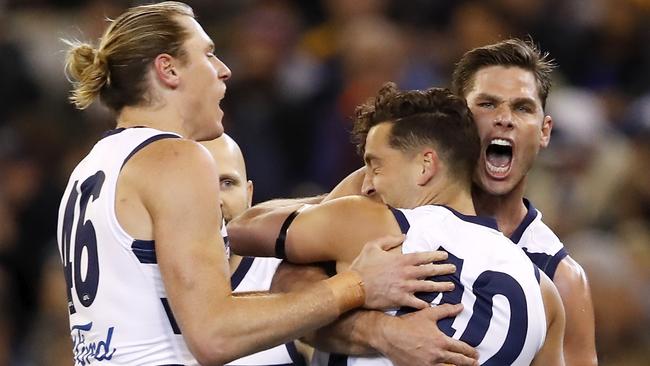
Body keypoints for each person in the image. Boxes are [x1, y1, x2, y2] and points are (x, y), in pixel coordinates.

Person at [56, 2, 455, 364]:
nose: (224, 69)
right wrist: (358, 285)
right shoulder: (177, 157)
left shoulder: (89, 167)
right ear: (168, 69)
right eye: (209, 54)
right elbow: (215, 335)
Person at [228, 84, 565, 365]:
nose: (368, 185)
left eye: (374, 166)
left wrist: (337, 202)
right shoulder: (546, 294)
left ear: (425, 166)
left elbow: (241, 229)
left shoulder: (375, 225)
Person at [450, 38, 597, 365]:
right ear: (456, 119)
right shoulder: (397, 212)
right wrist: (382, 331)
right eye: (487, 104)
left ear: (544, 132)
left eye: (522, 107)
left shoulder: (562, 279)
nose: (504, 118)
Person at [201, 134, 311, 365]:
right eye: (197, 183)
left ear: (249, 194)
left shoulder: (289, 279)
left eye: (227, 183)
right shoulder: (135, 289)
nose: (216, 199)